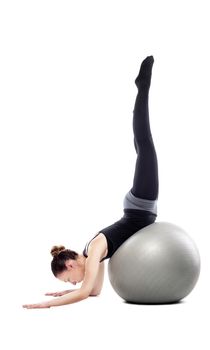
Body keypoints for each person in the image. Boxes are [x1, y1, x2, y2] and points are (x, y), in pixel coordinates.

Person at [23, 55, 159, 309]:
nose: (73, 284)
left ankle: (143, 85)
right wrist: (59, 295)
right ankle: (142, 89)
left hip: (140, 206)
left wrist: (48, 304)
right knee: (141, 146)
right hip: (137, 207)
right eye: (69, 285)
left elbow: (84, 292)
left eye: (69, 280)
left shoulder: (95, 248)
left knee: (144, 143)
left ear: (71, 264)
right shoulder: (91, 254)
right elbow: (94, 291)